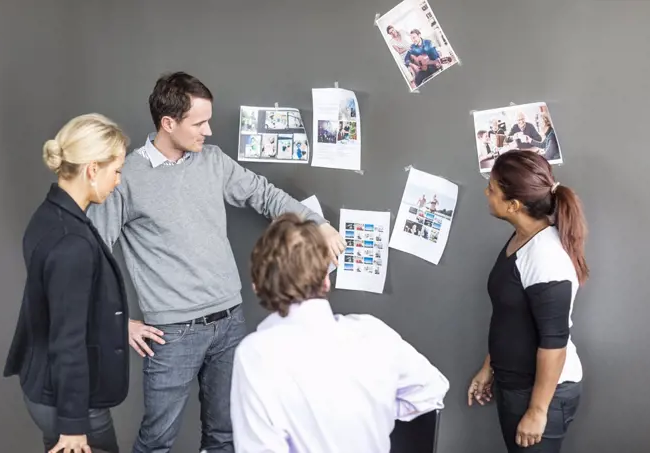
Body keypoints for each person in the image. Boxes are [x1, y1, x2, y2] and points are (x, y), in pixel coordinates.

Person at [86, 72, 345, 453]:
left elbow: (265, 195)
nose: (208, 130)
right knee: (157, 441)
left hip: (230, 324)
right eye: (199, 123)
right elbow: (91, 255)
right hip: (172, 334)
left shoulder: (213, 161)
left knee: (225, 436)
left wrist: (318, 225)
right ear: (168, 123)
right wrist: (117, 322)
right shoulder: (126, 176)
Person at [231, 213, 449, 453]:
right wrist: (375, 410)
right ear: (326, 279)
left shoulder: (256, 355)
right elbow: (431, 391)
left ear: (257, 285)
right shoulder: (374, 333)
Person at [3, 114, 130, 453]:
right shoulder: (70, 241)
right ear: (92, 169)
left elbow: (58, 307)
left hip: (47, 387)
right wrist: (74, 427)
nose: (118, 181)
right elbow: (67, 337)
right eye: (116, 171)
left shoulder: (49, 215)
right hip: (72, 405)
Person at [468, 151, 588, 452]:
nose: (486, 192)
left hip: (543, 394)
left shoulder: (546, 258)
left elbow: (554, 342)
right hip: (515, 386)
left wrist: (536, 411)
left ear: (514, 204)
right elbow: (512, 318)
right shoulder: (521, 239)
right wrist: (490, 366)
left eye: (492, 188)